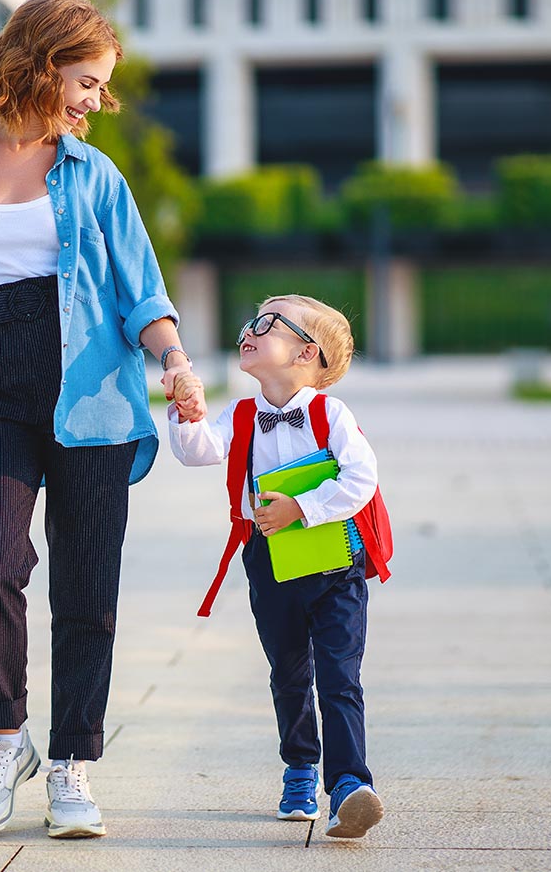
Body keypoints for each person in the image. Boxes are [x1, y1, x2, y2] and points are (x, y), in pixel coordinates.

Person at [0, 0, 206, 839]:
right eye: (89, 81)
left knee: (87, 589)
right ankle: (4, 738)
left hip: (93, 390)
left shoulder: (95, 175)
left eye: (102, 87)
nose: (98, 100)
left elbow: (142, 290)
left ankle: (72, 765)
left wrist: (173, 362)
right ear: (42, 61)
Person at [168, 295, 388, 839]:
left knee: (340, 675)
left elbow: (362, 479)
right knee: (288, 672)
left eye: (266, 325)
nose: (249, 330)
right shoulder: (241, 413)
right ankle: (299, 768)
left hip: (334, 557)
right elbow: (199, 452)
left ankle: (348, 786)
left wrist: (302, 508)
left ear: (305, 352)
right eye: (249, 322)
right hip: (268, 560)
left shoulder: (329, 413)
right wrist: (188, 415)